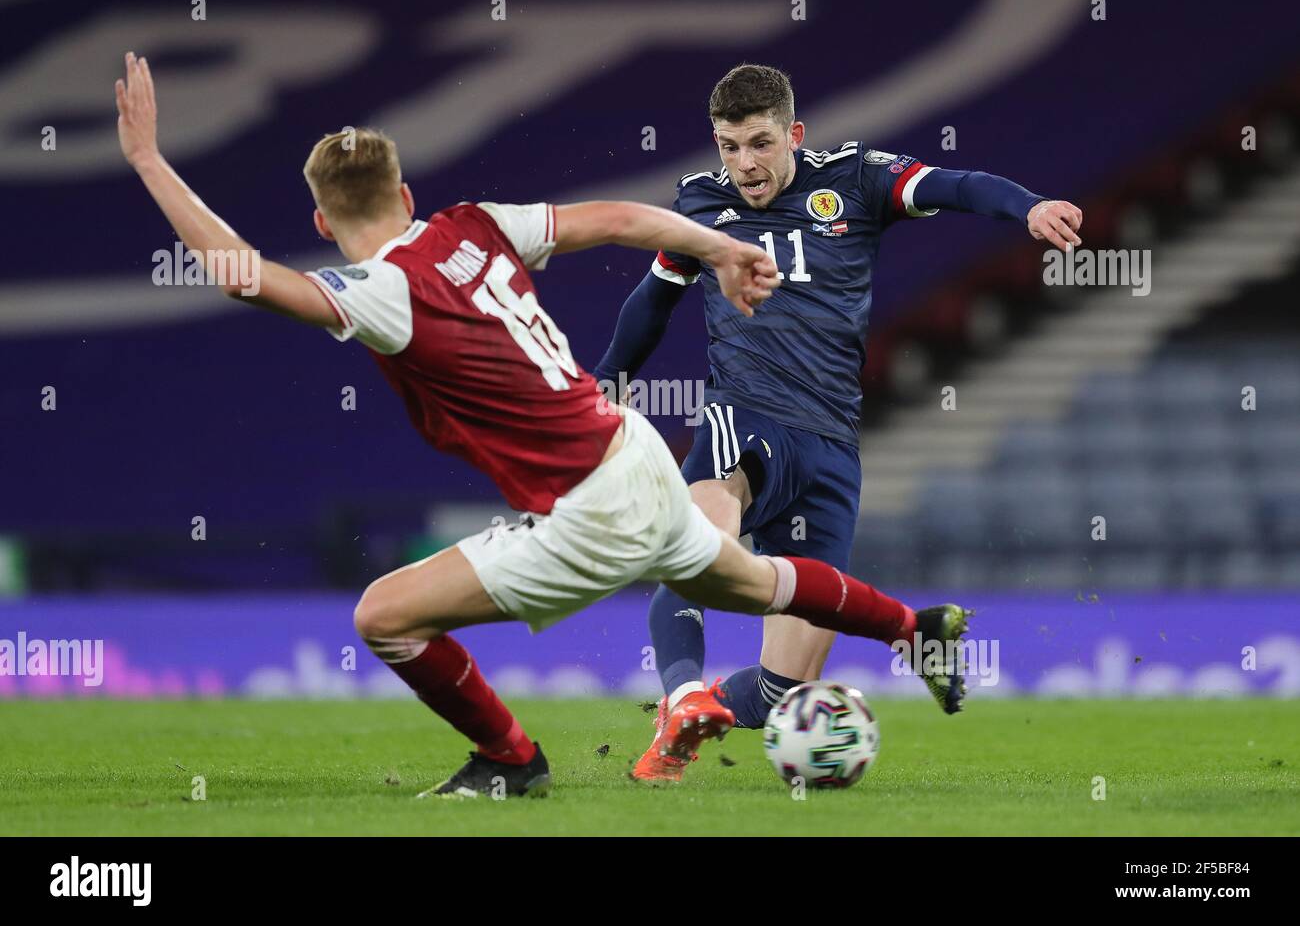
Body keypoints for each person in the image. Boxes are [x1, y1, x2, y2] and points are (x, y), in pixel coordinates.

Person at [115, 51, 966, 797]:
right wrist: (717, 246)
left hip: (588, 504)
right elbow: (624, 220)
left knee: (384, 615)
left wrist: (151, 162)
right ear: (407, 194)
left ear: (321, 223)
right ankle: (909, 626)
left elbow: (242, 277)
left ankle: (509, 759)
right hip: (632, 448)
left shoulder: (379, 288)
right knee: (757, 581)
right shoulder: (474, 226)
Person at [596, 64, 1080, 781]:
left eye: (759, 143)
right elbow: (651, 301)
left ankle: (696, 715)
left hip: (831, 445)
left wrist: (1028, 207)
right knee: (693, 547)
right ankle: (682, 692)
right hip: (745, 411)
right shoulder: (700, 204)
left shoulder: (855, 178)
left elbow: (956, 185)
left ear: (793, 133)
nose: (745, 164)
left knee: (778, 690)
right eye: (729, 146)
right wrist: (605, 388)